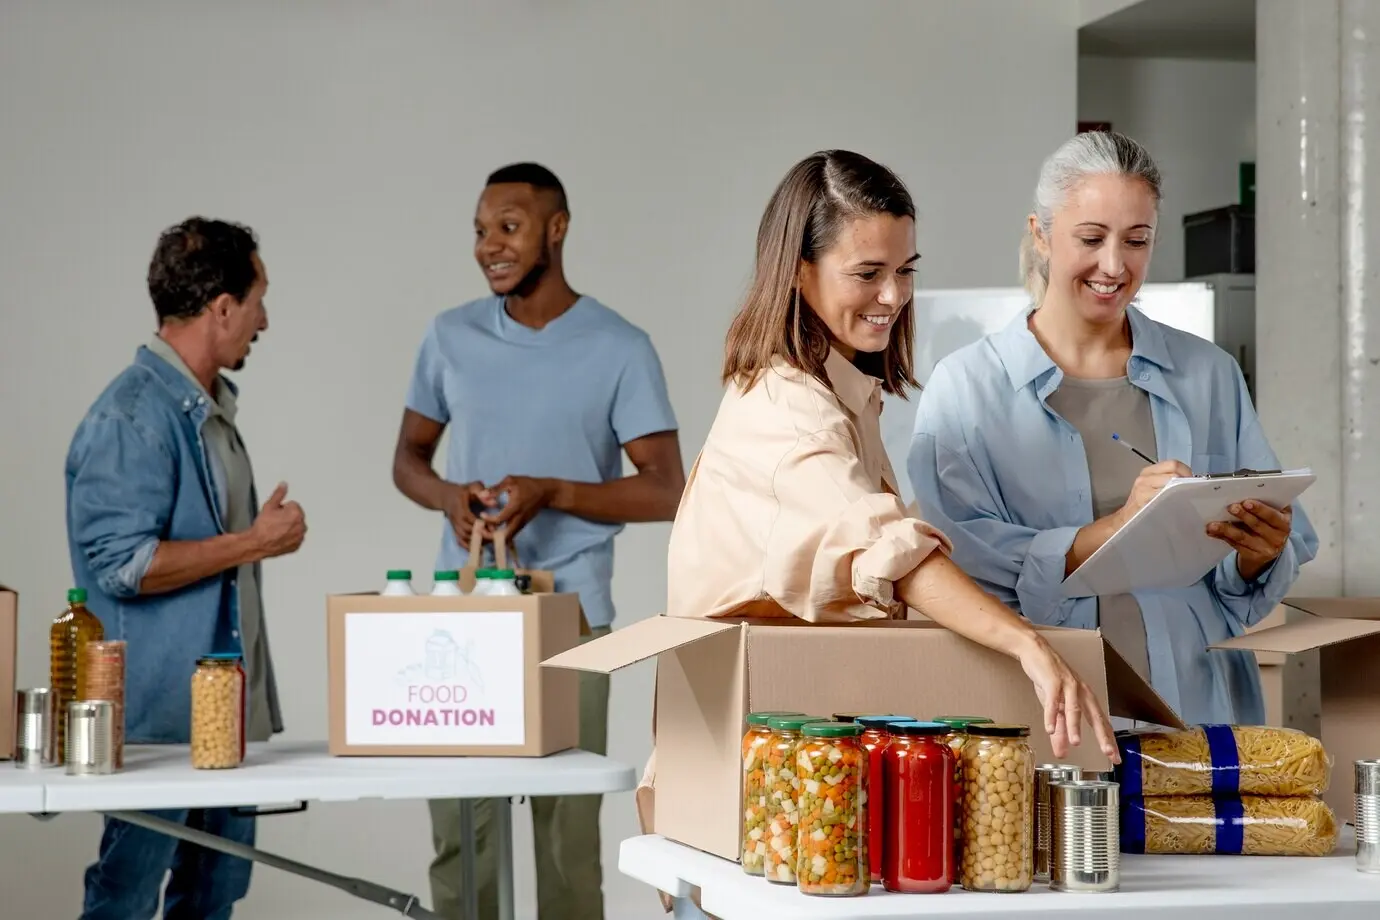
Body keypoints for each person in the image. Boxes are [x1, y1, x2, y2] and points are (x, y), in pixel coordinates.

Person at [907, 131, 1319, 726]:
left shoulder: (1208, 374)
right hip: (1041, 707)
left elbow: (1242, 577)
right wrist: (1118, 528)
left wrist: (1258, 552)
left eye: (1136, 240)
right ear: (1041, 234)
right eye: (1092, 238)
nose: (1114, 265)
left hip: (1197, 701)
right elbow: (959, 563)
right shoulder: (966, 387)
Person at [393, 162, 684, 920]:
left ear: (557, 229)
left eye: (510, 227)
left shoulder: (620, 346)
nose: (491, 245)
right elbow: (408, 461)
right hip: (463, 621)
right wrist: (448, 498)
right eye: (482, 230)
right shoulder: (449, 336)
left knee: (565, 838)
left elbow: (667, 487)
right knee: (463, 829)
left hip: (574, 620)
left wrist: (555, 491)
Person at [65, 217, 306, 919]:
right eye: (258, 299)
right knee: (128, 895)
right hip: (157, 725)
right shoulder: (133, 417)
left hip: (217, 724)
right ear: (222, 307)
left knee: (215, 892)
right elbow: (122, 566)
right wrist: (253, 542)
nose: (264, 319)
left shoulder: (206, 414)